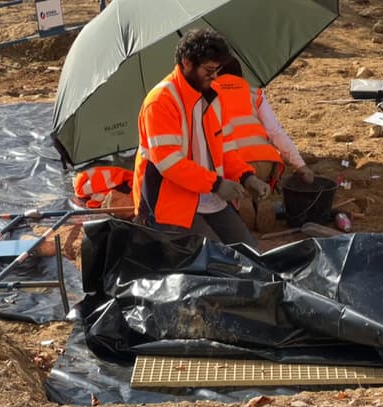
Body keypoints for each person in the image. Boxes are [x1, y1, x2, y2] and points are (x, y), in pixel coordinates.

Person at [131, 29, 270, 248]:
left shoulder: (213, 97)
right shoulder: (160, 102)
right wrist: (216, 184)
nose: (215, 76)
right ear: (186, 63)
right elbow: (169, 164)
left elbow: (226, 149)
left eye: (218, 69)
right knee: (213, 263)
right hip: (169, 207)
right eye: (209, 70)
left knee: (249, 252)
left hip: (210, 198)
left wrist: (246, 177)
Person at [212, 56, 314, 231]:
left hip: (235, 162)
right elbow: (275, 132)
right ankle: (262, 198)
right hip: (265, 160)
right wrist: (301, 165)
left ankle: (241, 200)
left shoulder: (209, 95)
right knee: (261, 184)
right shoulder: (254, 93)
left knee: (231, 182)